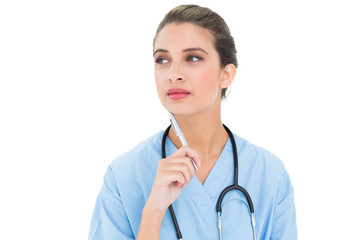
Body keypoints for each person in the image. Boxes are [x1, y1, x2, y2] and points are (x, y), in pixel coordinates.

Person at [88, 4, 297, 240]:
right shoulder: (124, 175)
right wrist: (153, 213)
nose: (173, 73)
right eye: (162, 59)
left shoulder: (269, 174)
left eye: (193, 58)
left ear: (225, 74)